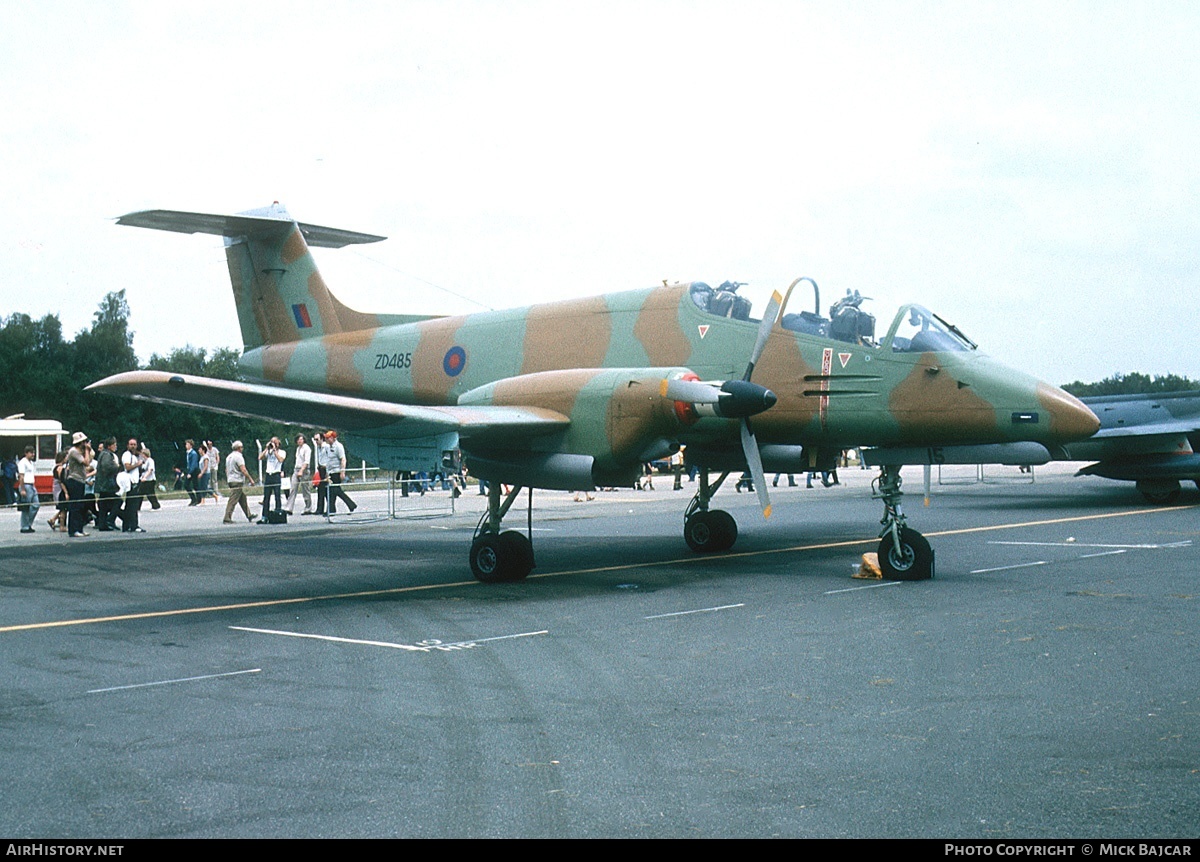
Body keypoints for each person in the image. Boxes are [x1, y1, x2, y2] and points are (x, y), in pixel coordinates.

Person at [320, 430, 356, 515]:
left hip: (337, 471)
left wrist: (342, 472)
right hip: (331, 471)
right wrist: (327, 472)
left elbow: (343, 459)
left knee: (335, 490)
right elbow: (328, 460)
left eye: (328, 438)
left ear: (332, 438)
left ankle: (350, 504)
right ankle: (332, 509)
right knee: (332, 491)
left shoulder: (339, 446)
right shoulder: (328, 447)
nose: (326, 440)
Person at [65, 432, 92, 537]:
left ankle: (79, 528)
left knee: (80, 506)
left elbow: (88, 461)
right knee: (75, 506)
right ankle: (73, 529)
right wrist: (87, 450)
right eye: (84, 442)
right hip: (74, 480)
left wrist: (87, 451)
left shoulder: (80, 452)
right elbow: (86, 463)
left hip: (80, 480)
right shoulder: (73, 451)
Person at [222, 440, 256, 524]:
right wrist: (251, 479)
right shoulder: (239, 457)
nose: (242, 449)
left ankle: (249, 515)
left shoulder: (229, 457)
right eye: (241, 447)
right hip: (237, 480)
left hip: (230, 479)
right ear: (238, 448)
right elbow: (243, 469)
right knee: (233, 500)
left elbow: (226, 469)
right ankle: (227, 517)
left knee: (242, 498)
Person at [94, 438, 121, 532]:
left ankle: (103, 524)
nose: (116, 446)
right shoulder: (107, 455)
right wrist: (116, 466)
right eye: (114, 444)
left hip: (102, 484)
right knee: (118, 501)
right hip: (106, 485)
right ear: (109, 446)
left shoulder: (103, 454)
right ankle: (109, 520)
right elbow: (107, 467)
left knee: (103, 505)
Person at [258, 436, 287, 522]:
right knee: (266, 496)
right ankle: (264, 516)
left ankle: (278, 513)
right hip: (268, 475)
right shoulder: (269, 452)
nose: (273, 443)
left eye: (275, 442)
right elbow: (260, 457)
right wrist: (266, 449)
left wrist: (275, 451)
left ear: (278, 443)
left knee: (277, 495)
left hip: (276, 475)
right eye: (272, 442)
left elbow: (281, 460)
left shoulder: (282, 452)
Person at [120, 437, 146, 532]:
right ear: (128, 445)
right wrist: (137, 464)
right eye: (131, 444)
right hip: (131, 483)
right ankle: (133, 526)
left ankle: (127, 526)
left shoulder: (134, 456)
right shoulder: (127, 455)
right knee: (132, 505)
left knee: (130, 505)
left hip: (135, 482)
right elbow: (127, 467)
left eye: (134, 444)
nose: (133, 446)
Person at [285, 433, 312, 515]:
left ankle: (308, 508)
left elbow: (306, 461)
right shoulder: (298, 449)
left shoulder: (307, 448)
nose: (300, 441)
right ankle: (289, 508)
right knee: (293, 488)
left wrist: (301, 471)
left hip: (304, 470)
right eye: (298, 439)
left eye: (301, 439)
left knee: (305, 490)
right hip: (296, 469)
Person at [17, 445, 40, 534]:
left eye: (33, 452)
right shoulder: (23, 462)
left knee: (36, 504)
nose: (33, 454)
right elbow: (21, 476)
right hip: (26, 485)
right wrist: (22, 489)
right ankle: (25, 526)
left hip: (31, 485)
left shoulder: (31, 463)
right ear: (26, 453)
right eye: (31, 453)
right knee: (26, 507)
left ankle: (28, 523)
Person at [183, 439, 200, 505]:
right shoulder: (188, 453)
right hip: (189, 470)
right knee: (187, 485)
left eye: (187, 444)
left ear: (191, 445)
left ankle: (197, 500)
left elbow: (194, 464)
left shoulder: (193, 453)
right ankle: (194, 499)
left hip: (194, 470)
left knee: (195, 485)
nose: (186, 445)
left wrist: (190, 473)